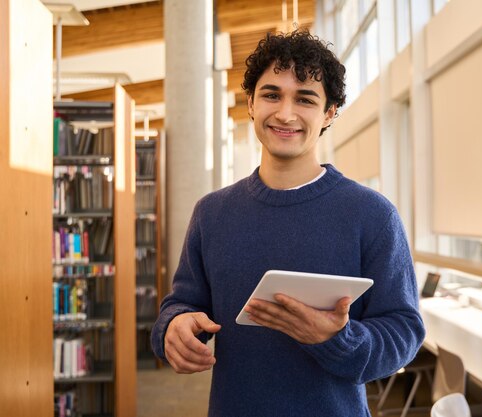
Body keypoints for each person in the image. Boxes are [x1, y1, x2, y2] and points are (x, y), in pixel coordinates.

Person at [151, 29, 425, 417]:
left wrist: (336, 339)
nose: (285, 113)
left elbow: (404, 333)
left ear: (329, 113)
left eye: (305, 99)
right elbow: (180, 303)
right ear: (250, 103)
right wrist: (172, 327)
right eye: (271, 94)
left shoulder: (373, 215)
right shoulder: (211, 213)